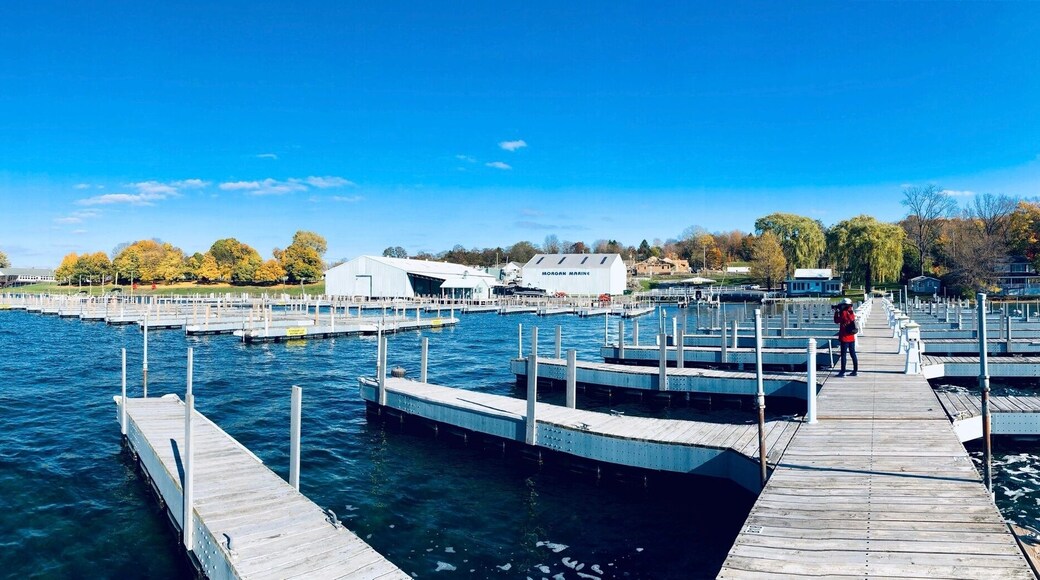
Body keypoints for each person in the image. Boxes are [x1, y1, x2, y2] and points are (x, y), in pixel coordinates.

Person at [833, 297, 858, 377]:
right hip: (851, 337)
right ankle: (855, 371)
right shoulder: (851, 312)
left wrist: (836, 312)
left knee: (843, 355)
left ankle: (843, 372)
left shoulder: (843, 313)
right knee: (853, 354)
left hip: (844, 337)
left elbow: (836, 321)